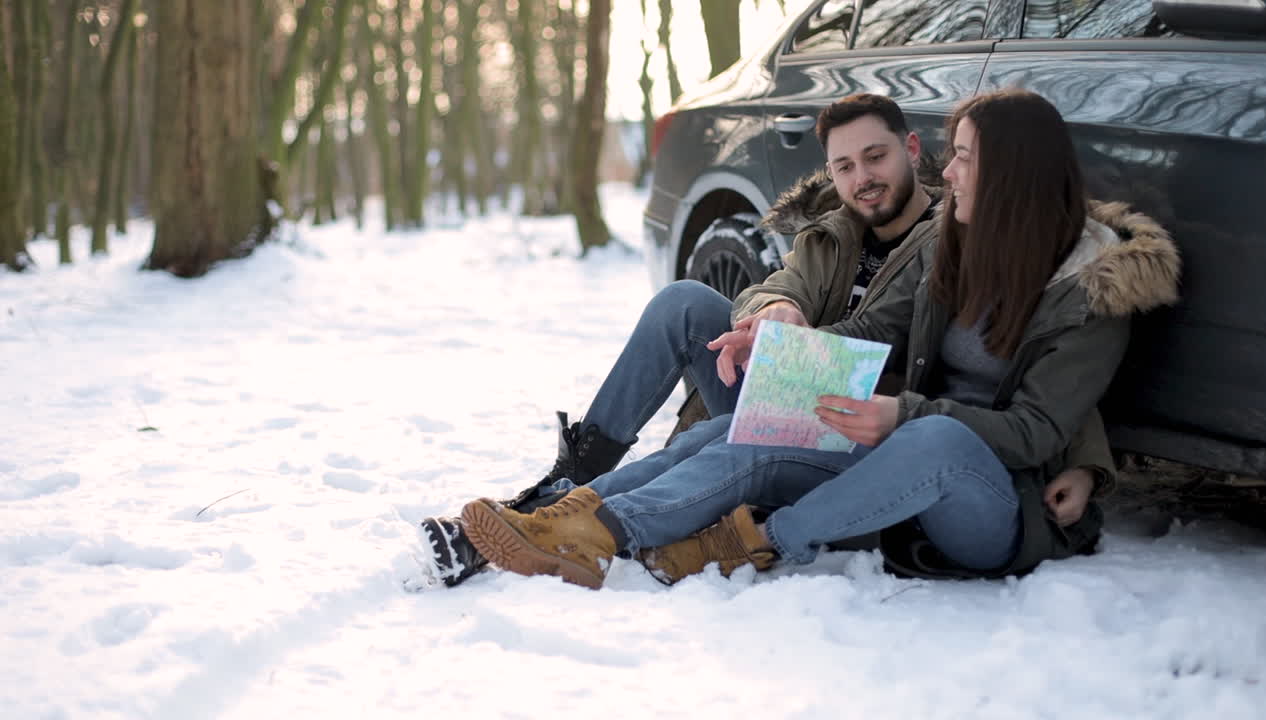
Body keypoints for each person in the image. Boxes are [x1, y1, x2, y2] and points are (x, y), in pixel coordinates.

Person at [458, 88, 1181, 589]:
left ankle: (754, 541)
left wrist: (912, 416)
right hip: (886, 435)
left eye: (962, 156)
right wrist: (777, 346)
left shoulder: (1091, 288)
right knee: (740, 438)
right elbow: (869, 326)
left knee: (929, 441)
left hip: (993, 495)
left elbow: (1043, 420)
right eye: (843, 166)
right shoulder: (943, 242)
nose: (949, 169)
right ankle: (571, 524)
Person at [417, 93, 950, 586]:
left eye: (875, 157)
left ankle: (561, 525)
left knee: (720, 436)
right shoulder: (835, 230)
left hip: (865, 426)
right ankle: (568, 486)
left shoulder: (946, 241)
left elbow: (886, 335)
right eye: (845, 167)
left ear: (910, 147)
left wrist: (804, 342)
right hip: (795, 393)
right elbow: (779, 284)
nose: (863, 178)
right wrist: (774, 310)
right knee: (684, 303)